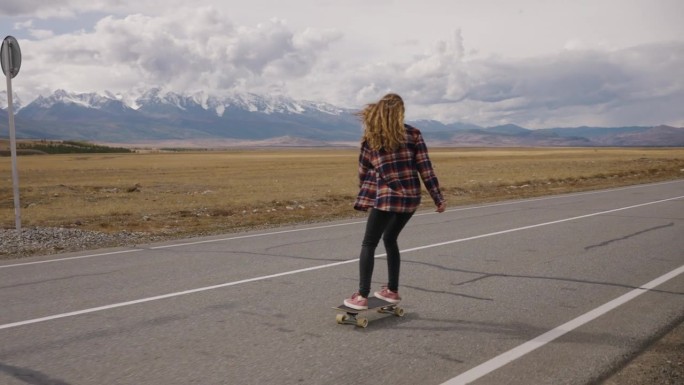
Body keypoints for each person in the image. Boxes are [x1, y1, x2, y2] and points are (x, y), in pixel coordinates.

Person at [344, 93, 447, 310]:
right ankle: (392, 290)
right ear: (400, 112)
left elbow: (364, 171)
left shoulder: (371, 138)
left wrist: (365, 197)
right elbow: (425, 168)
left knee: (369, 243)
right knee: (390, 238)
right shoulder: (413, 134)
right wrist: (438, 197)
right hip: (410, 199)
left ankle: (361, 295)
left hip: (386, 199)